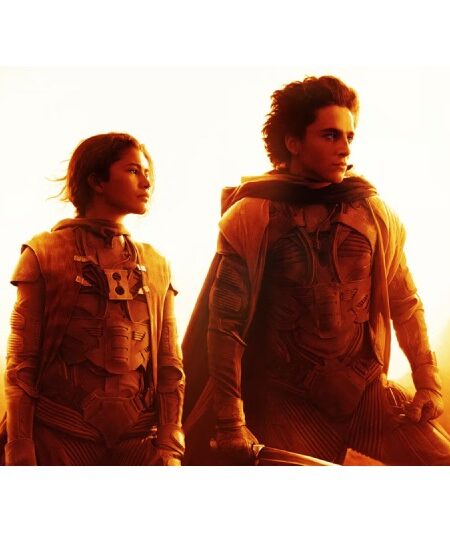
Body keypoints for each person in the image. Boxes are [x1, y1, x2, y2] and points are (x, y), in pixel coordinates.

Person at [182, 75, 450, 465]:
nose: (345, 149)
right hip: (284, 402)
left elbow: (405, 302)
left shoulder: (372, 211)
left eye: (349, 137)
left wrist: (427, 382)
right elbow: (226, 327)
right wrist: (230, 420)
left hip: (366, 396)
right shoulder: (252, 215)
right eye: (330, 135)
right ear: (293, 142)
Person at [0, 132, 185, 465]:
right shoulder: (44, 253)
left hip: (139, 445)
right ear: (97, 181)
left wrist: (171, 444)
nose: (146, 183)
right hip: (60, 439)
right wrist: (20, 445)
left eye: (146, 173)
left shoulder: (157, 264)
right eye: (133, 171)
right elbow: (21, 365)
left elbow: (170, 366)